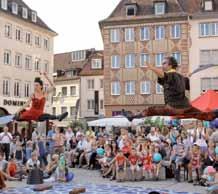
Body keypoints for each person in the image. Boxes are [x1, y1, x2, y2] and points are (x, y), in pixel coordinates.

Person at [122, 56, 218, 121]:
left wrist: (152, 68)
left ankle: (132, 117)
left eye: (164, 63)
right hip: (186, 106)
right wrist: (184, 78)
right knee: (203, 115)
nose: (162, 65)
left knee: (150, 110)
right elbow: (187, 87)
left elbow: (163, 76)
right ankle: (215, 113)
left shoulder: (171, 75)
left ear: (170, 65)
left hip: (174, 108)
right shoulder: (179, 77)